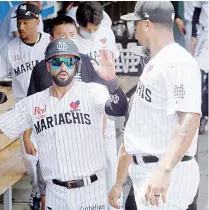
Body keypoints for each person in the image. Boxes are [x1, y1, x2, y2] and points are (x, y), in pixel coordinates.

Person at [0, 38, 127, 209]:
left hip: (91, 193)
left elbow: (119, 109)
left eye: (68, 61)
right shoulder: (33, 103)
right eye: (56, 62)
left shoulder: (93, 92)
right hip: (56, 194)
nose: (62, 67)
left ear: (76, 65)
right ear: (47, 66)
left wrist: (112, 82)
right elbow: (3, 125)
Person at [108, 2, 201, 210]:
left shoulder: (178, 62)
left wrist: (164, 171)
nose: (134, 29)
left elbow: (189, 118)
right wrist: (118, 183)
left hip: (165, 173)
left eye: (137, 23)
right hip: (147, 171)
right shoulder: (156, 62)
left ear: (147, 24)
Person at [25, 14, 120, 210]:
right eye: (62, 36)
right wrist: (27, 137)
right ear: (51, 39)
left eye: (72, 35)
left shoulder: (88, 63)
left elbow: (100, 105)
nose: (68, 40)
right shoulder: (42, 69)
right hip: (51, 142)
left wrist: (97, 135)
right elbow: (30, 104)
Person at [0, 3, 50, 210]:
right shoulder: (11, 49)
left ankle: (50, 193)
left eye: (26, 22)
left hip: (50, 103)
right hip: (25, 107)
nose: (21, 27)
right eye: (19, 22)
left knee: (51, 153)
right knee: (30, 158)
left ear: (37, 21)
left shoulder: (49, 42)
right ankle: (38, 192)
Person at [192, 1, 208, 134]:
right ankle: (198, 116)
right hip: (204, 36)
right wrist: (193, 36)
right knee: (198, 77)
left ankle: (205, 116)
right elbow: (196, 13)